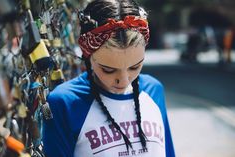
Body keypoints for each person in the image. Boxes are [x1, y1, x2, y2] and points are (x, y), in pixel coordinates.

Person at [42, 0, 175, 157]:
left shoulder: (154, 90)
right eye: (108, 70)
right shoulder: (64, 102)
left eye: (135, 67)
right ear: (88, 56)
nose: (124, 81)